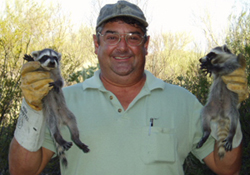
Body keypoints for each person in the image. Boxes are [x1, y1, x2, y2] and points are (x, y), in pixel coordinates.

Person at [8, 1, 248, 175]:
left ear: (146, 44)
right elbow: (22, 171)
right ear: (96, 43)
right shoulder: (65, 101)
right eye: (111, 37)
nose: (122, 47)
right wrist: (32, 108)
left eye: (133, 37)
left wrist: (229, 107)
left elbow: (227, 166)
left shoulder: (182, 101)